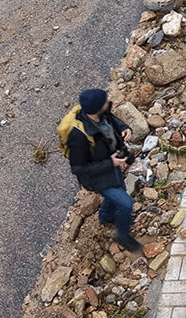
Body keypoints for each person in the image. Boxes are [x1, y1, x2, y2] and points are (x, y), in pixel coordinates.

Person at [58, 88, 144, 253]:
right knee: (126, 203)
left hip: (112, 165)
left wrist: (125, 127)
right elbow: (78, 168)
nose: (108, 102)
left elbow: (112, 120)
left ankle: (105, 217)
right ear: (97, 106)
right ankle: (123, 235)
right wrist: (109, 163)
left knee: (121, 190)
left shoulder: (99, 114)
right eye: (105, 101)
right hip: (98, 177)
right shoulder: (78, 136)